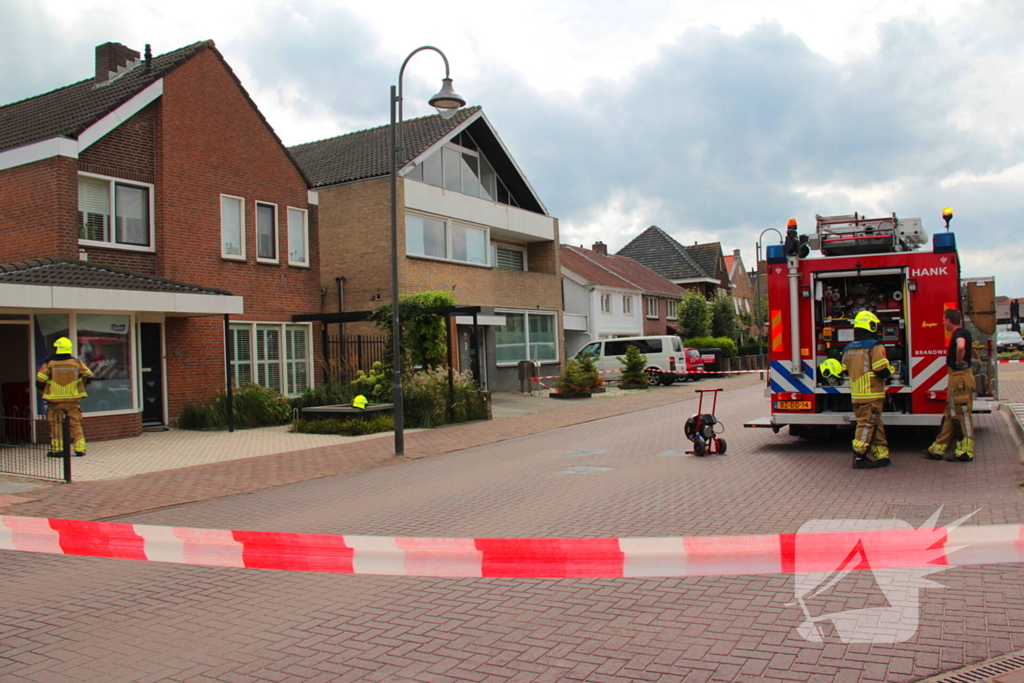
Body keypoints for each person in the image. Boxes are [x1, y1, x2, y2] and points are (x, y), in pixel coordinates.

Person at [842, 310, 894, 469]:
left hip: (857, 395)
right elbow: (880, 369)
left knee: (875, 423)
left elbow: (844, 368)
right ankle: (859, 456)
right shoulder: (875, 346)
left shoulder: (848, 348)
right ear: (870, 326)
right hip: (872, 393)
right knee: (866, 424)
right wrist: (891, 370)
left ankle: (882, 454)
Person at [924, 309, 975, 462]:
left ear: (949, 321)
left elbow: (960, 347)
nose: (942, 322)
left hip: (959, 377)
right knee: (950, 414)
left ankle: (965, 451)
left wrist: (959, 362)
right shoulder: (964, 332)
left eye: (943, 319)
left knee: (962, 414)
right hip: (958, 378)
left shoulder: (959, 334)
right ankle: (937, 449)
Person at [36, 337, 93, 457]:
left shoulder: (50, 363)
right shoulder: (76, 363)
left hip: (55, 401)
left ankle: (58, 449)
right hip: (72, 400)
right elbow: (89, 376)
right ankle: (80, 449)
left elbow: (40, 380)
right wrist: (81, 385)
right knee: (75, 424)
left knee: (56, 424)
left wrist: (42, 391)